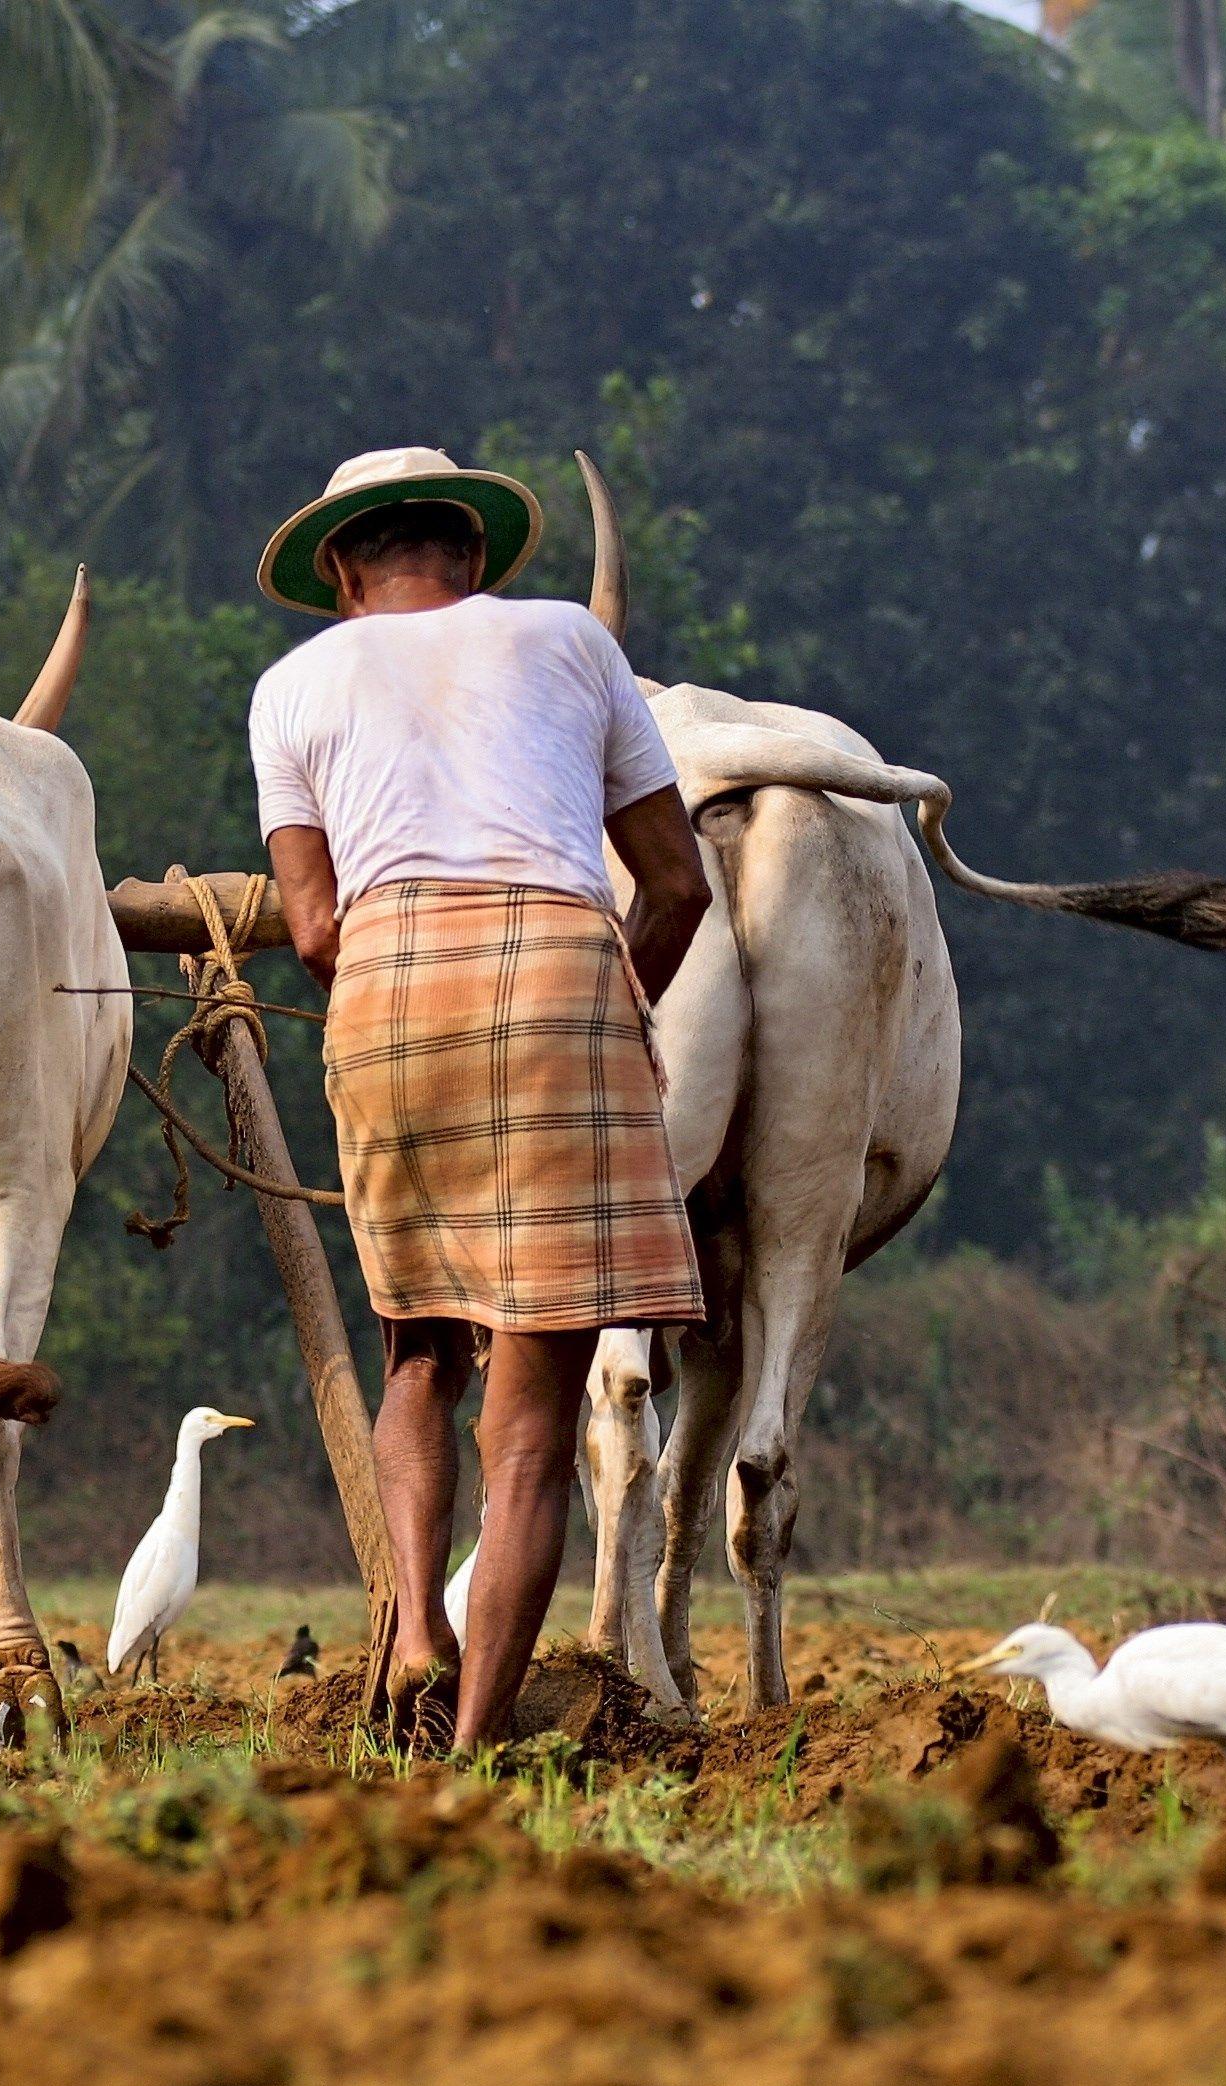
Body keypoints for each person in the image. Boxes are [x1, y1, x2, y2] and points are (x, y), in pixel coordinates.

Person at [249, 447, 709, 1751]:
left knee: (419, 1344)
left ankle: (413, 1625)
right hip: (566, 982)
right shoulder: (573, 640)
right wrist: (608, 1008)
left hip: (390, 995)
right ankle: (470, 1754)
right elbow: (677, 888)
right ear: (474, 554)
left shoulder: (292, 689)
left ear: (342, 570)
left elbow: (315, 925)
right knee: (532, 1431)